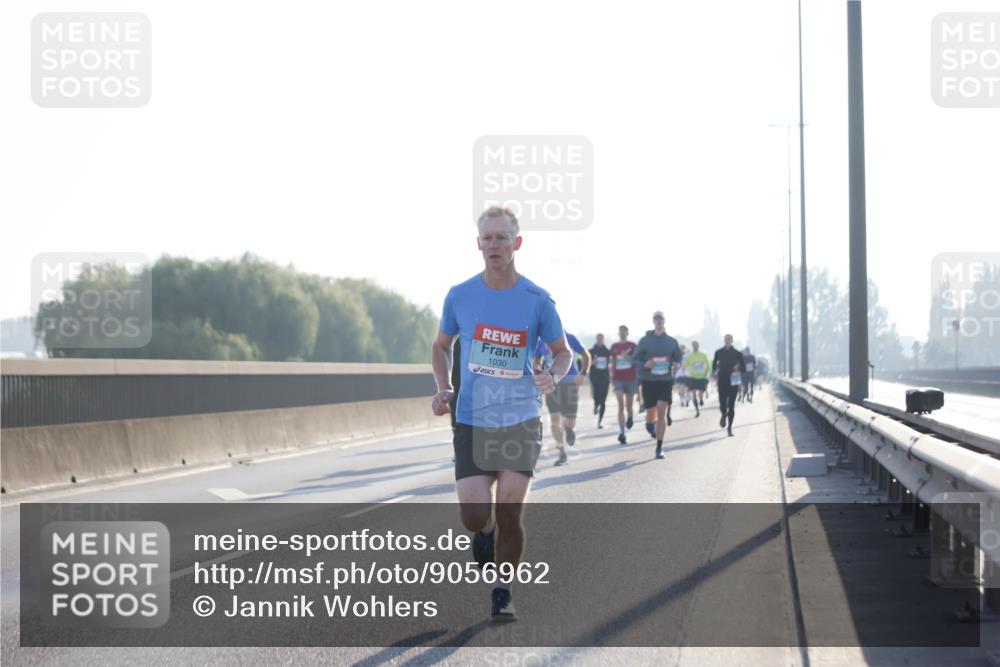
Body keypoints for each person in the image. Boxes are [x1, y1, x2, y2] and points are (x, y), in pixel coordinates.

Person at [431, 206, 572, 621]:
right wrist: (443, 388)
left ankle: (502, 590)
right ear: (479, 244)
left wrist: (553, 378)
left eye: (502, 238)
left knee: (511, 510)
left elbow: (563, 353)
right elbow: (441, 345)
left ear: (517, 243)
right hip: (473, 418)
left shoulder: (536, 300)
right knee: (475, 516)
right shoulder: (460, 296)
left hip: (520, 419)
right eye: (487, 238)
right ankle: (485, 532)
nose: (494, 245)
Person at [632, 311, 682, 459]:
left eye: (661, 319)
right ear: (653, 322)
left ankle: (659, 448)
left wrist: (678, 364)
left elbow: (679, 358)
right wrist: (645, 363)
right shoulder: (645, 340)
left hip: (665, 381)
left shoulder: (672, 341)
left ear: (664, 322)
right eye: (656, 319)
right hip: (649, 381)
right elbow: (634, 360)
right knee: (651, 414)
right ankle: (649, 422)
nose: (659, 321)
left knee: (661, 412)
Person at [536, 332, 590, 466]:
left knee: (570, 420)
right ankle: (561, 451)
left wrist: (583, 373)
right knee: (554, 418)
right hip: (552, 384)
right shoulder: (541, 341)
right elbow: (537, 360)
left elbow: (585, 355)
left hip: (570, 383)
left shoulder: (570, 338)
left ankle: (568, 427)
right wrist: (538, 371)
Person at [712, 334, 745, 437]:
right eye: (726, 340)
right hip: (722, 379)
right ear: (724, 341)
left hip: (733, 380)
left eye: (729, 340)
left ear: (732, 341)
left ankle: (729, 428)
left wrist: (738, 367)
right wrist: (714, 372)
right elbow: (714, 365)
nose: (727, 341)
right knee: (722, 402)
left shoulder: (737, 353)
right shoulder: (718, 352)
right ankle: (723, 414)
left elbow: (743, 368)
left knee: (731, 405)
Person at [609, 325, 638, 445]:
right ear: (618, 333)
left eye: (624, 332)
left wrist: (627, 357)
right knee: (620, 404)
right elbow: (613, 362)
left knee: (628, 405)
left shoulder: (633, 346)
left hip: (631, 378)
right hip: (618, 378)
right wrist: (611, 372)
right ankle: (622, 432)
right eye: (620, 331)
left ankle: (630, 416)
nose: (622, 333)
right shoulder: (614, 347)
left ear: (627, 333)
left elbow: (636, 361)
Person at [681, 340, 710, 417]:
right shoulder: (689, 356)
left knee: (700, 392)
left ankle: (701, 399)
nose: (695, 347)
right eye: (694, 345)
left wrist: (705, 373)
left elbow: (707, 365)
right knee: (693, 394)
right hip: (693, 377)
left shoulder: (703, 355)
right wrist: (683, 373)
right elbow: (684, 366)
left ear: (698, 346)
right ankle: (697, 410)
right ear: (692, 346)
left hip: (701, 377)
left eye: (696, 345)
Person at [588, 334, 611, 428]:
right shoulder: (591, 351)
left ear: (603, 339)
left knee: (603, 400)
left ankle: (600, 421)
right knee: (596, 396)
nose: (600, 340)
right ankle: (595, 405)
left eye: (601, 339)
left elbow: (613, 362)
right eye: (598, 339)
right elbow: (584, 362)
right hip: (594, 377)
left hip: (605, 377)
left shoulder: (608, 351)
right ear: (596, 339)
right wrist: (592, 362)